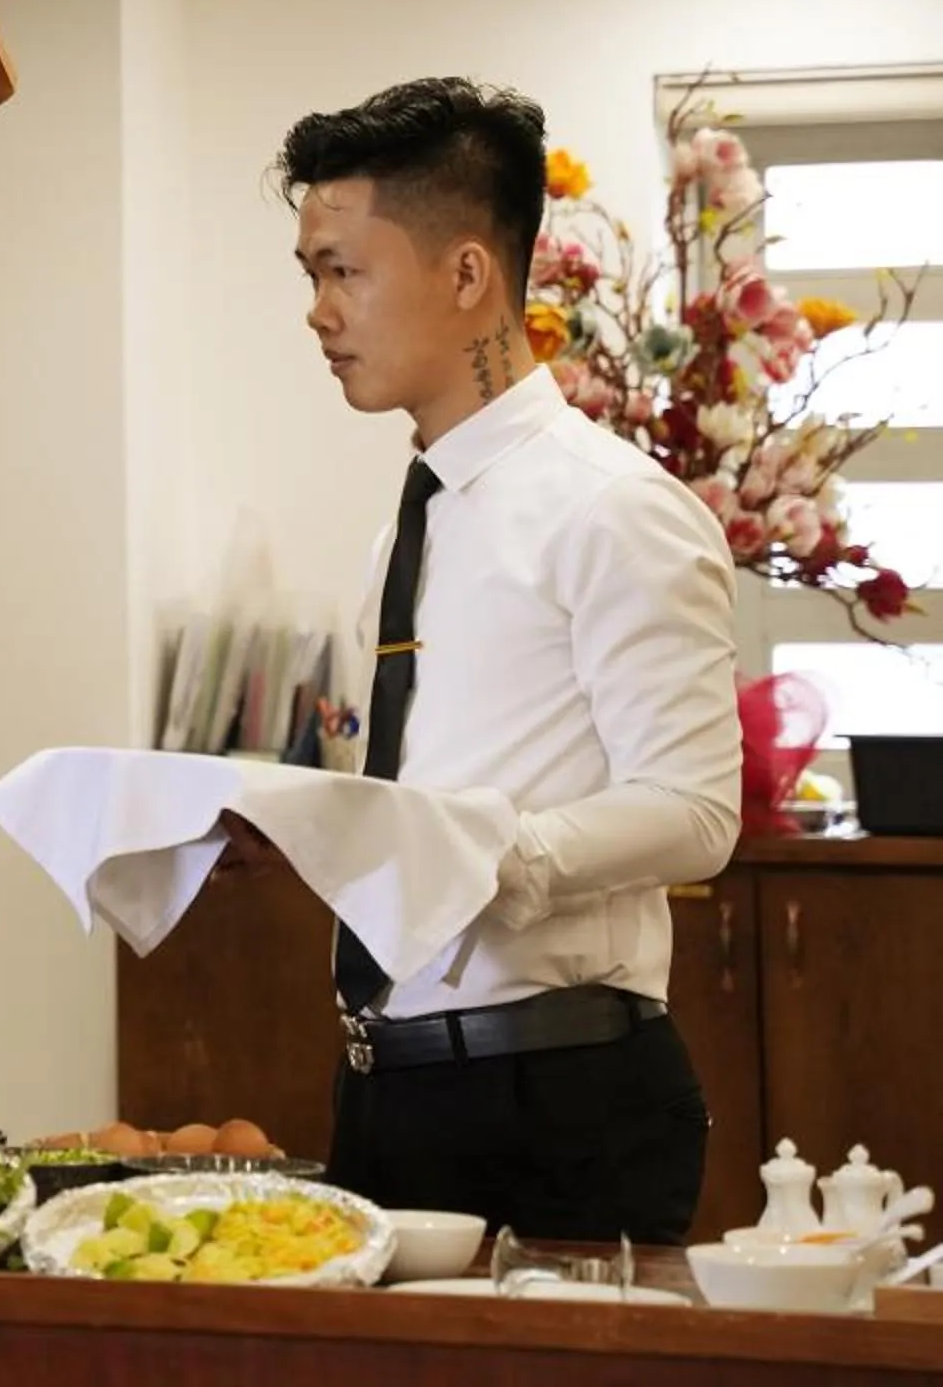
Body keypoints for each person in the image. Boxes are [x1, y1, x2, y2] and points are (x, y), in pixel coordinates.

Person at [240, 76, 739, 1244]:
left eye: (343, 270)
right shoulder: (412, 520)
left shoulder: (616, 507)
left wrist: (486, 854)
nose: (318, 310)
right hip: (388, 1078)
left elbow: (696, 807)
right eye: (309, 272)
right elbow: (413, 801)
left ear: (467, 275)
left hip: (555, 1094)